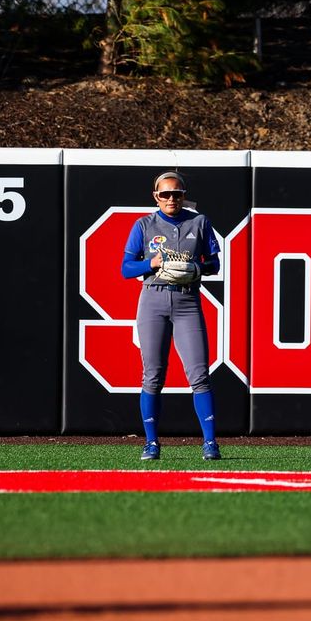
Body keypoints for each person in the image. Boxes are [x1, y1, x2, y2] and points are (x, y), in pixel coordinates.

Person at [121, 171, 223, 461]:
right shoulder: (143, 225)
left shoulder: (199, 222)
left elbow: (214, 263)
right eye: (165, 194)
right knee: (152, 376)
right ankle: (151, 443)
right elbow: (125, 268)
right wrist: (149, 263)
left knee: (199, 375)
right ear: (156, 197)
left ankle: (210, 443)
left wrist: (198, 269)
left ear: (183, 195)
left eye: (176, 194)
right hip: (153, 299)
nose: (171, 199)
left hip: (187, 300)